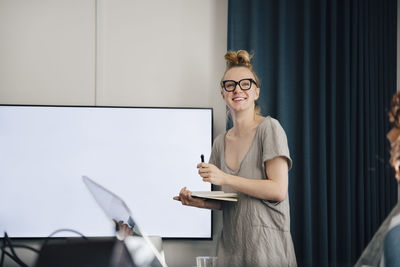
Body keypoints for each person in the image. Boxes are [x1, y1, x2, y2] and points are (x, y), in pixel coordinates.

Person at [174, 50, 297, 266]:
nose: (237, 89)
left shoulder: (270, 129)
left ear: (256, 92)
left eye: (245, 84)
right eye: (230, 85)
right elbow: (230, 202)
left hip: (267, 253)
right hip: (231, 252)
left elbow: (278, 190)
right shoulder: (220, 142)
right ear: (223, 94)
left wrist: (225, 178)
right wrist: (199, 201)